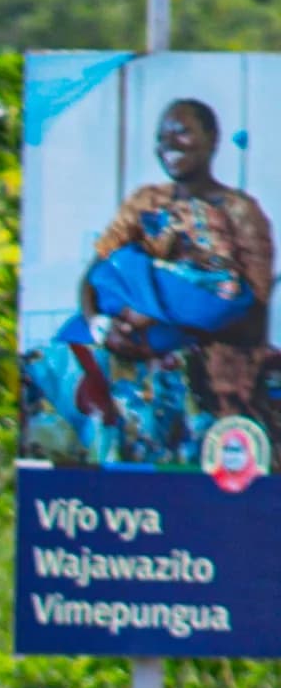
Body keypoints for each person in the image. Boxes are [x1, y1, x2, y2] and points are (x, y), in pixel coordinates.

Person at [45, 99, 277, 468]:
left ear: (213, 139)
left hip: (206, 375)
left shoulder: (240, 212)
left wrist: (158, 323)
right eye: (161, 136)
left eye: (182, 131)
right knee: (57, 362)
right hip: (127, 354)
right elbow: (96, 272)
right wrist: (101, 326)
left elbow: (252, 318)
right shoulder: (146, 202)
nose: (170, 143)